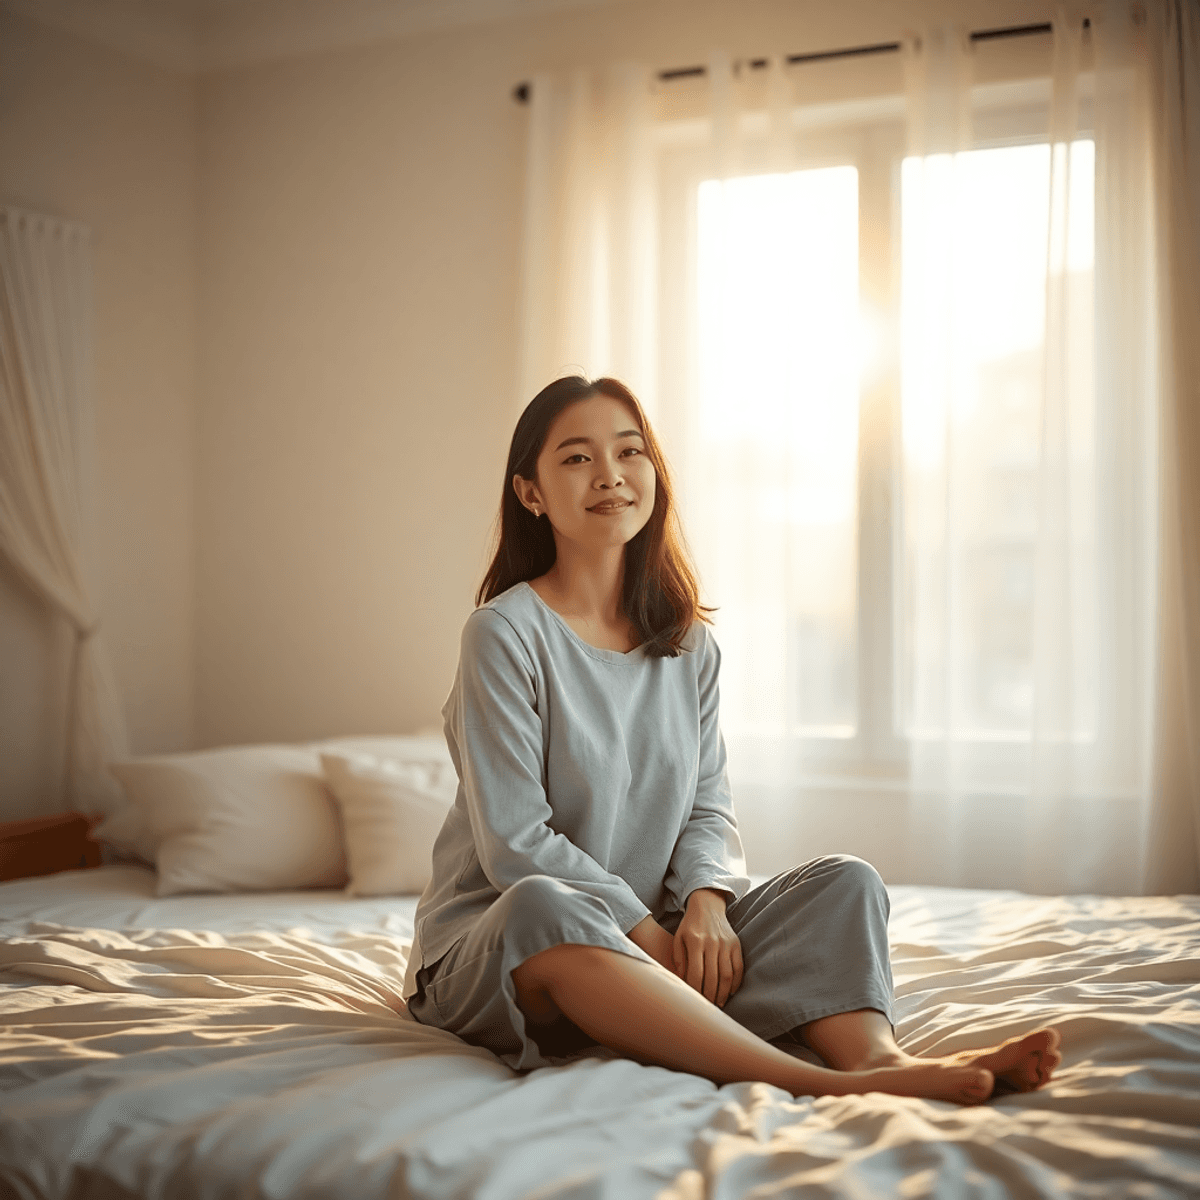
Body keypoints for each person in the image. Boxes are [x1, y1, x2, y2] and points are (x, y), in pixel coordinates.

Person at [402, 374, 1062, 1103]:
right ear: (531, 493)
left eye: (629, 451)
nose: (610, 475)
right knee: (544, 902)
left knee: (844, 882)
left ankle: (877, 1060)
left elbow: (707, 806)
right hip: (503, 948)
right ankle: (815, 1082)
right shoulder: (502, 634)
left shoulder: (688, 643)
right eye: (577, 458)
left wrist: (706, 905)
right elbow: (516, 843)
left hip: (653, 944)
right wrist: (645, 933)